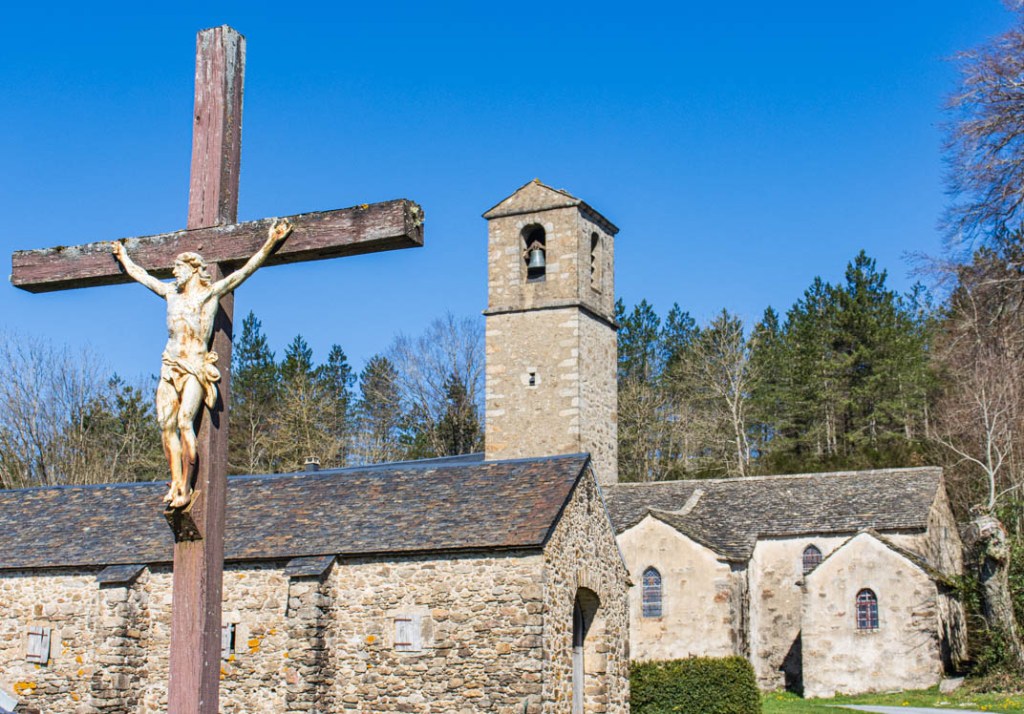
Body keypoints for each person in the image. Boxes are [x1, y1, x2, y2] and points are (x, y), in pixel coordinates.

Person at [112, 219, 292, 508]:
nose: (174, 272)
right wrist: (124, 257)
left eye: (178, 267)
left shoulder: (209, 294)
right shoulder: (170, 293)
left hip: (195, 366)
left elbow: (243, 272)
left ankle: (186, 487)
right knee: (165, 425)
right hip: (170, 364)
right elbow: (142, 276)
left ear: (194, 269)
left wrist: (271, 242)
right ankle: (175, 482)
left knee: (185, 422)